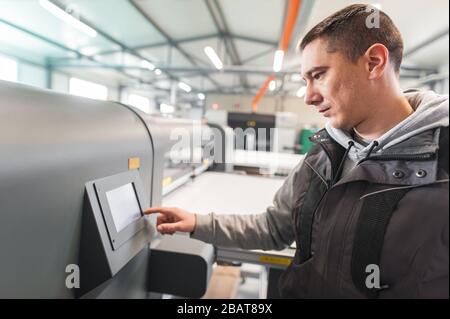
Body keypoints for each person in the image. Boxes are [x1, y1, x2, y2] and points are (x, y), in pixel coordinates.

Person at [145, 4, 449, 298]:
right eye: (305, 80)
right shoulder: (323, 156)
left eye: (318, 74)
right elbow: (274, 228)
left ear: (374, 62)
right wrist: (198, 222)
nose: (309, 96)